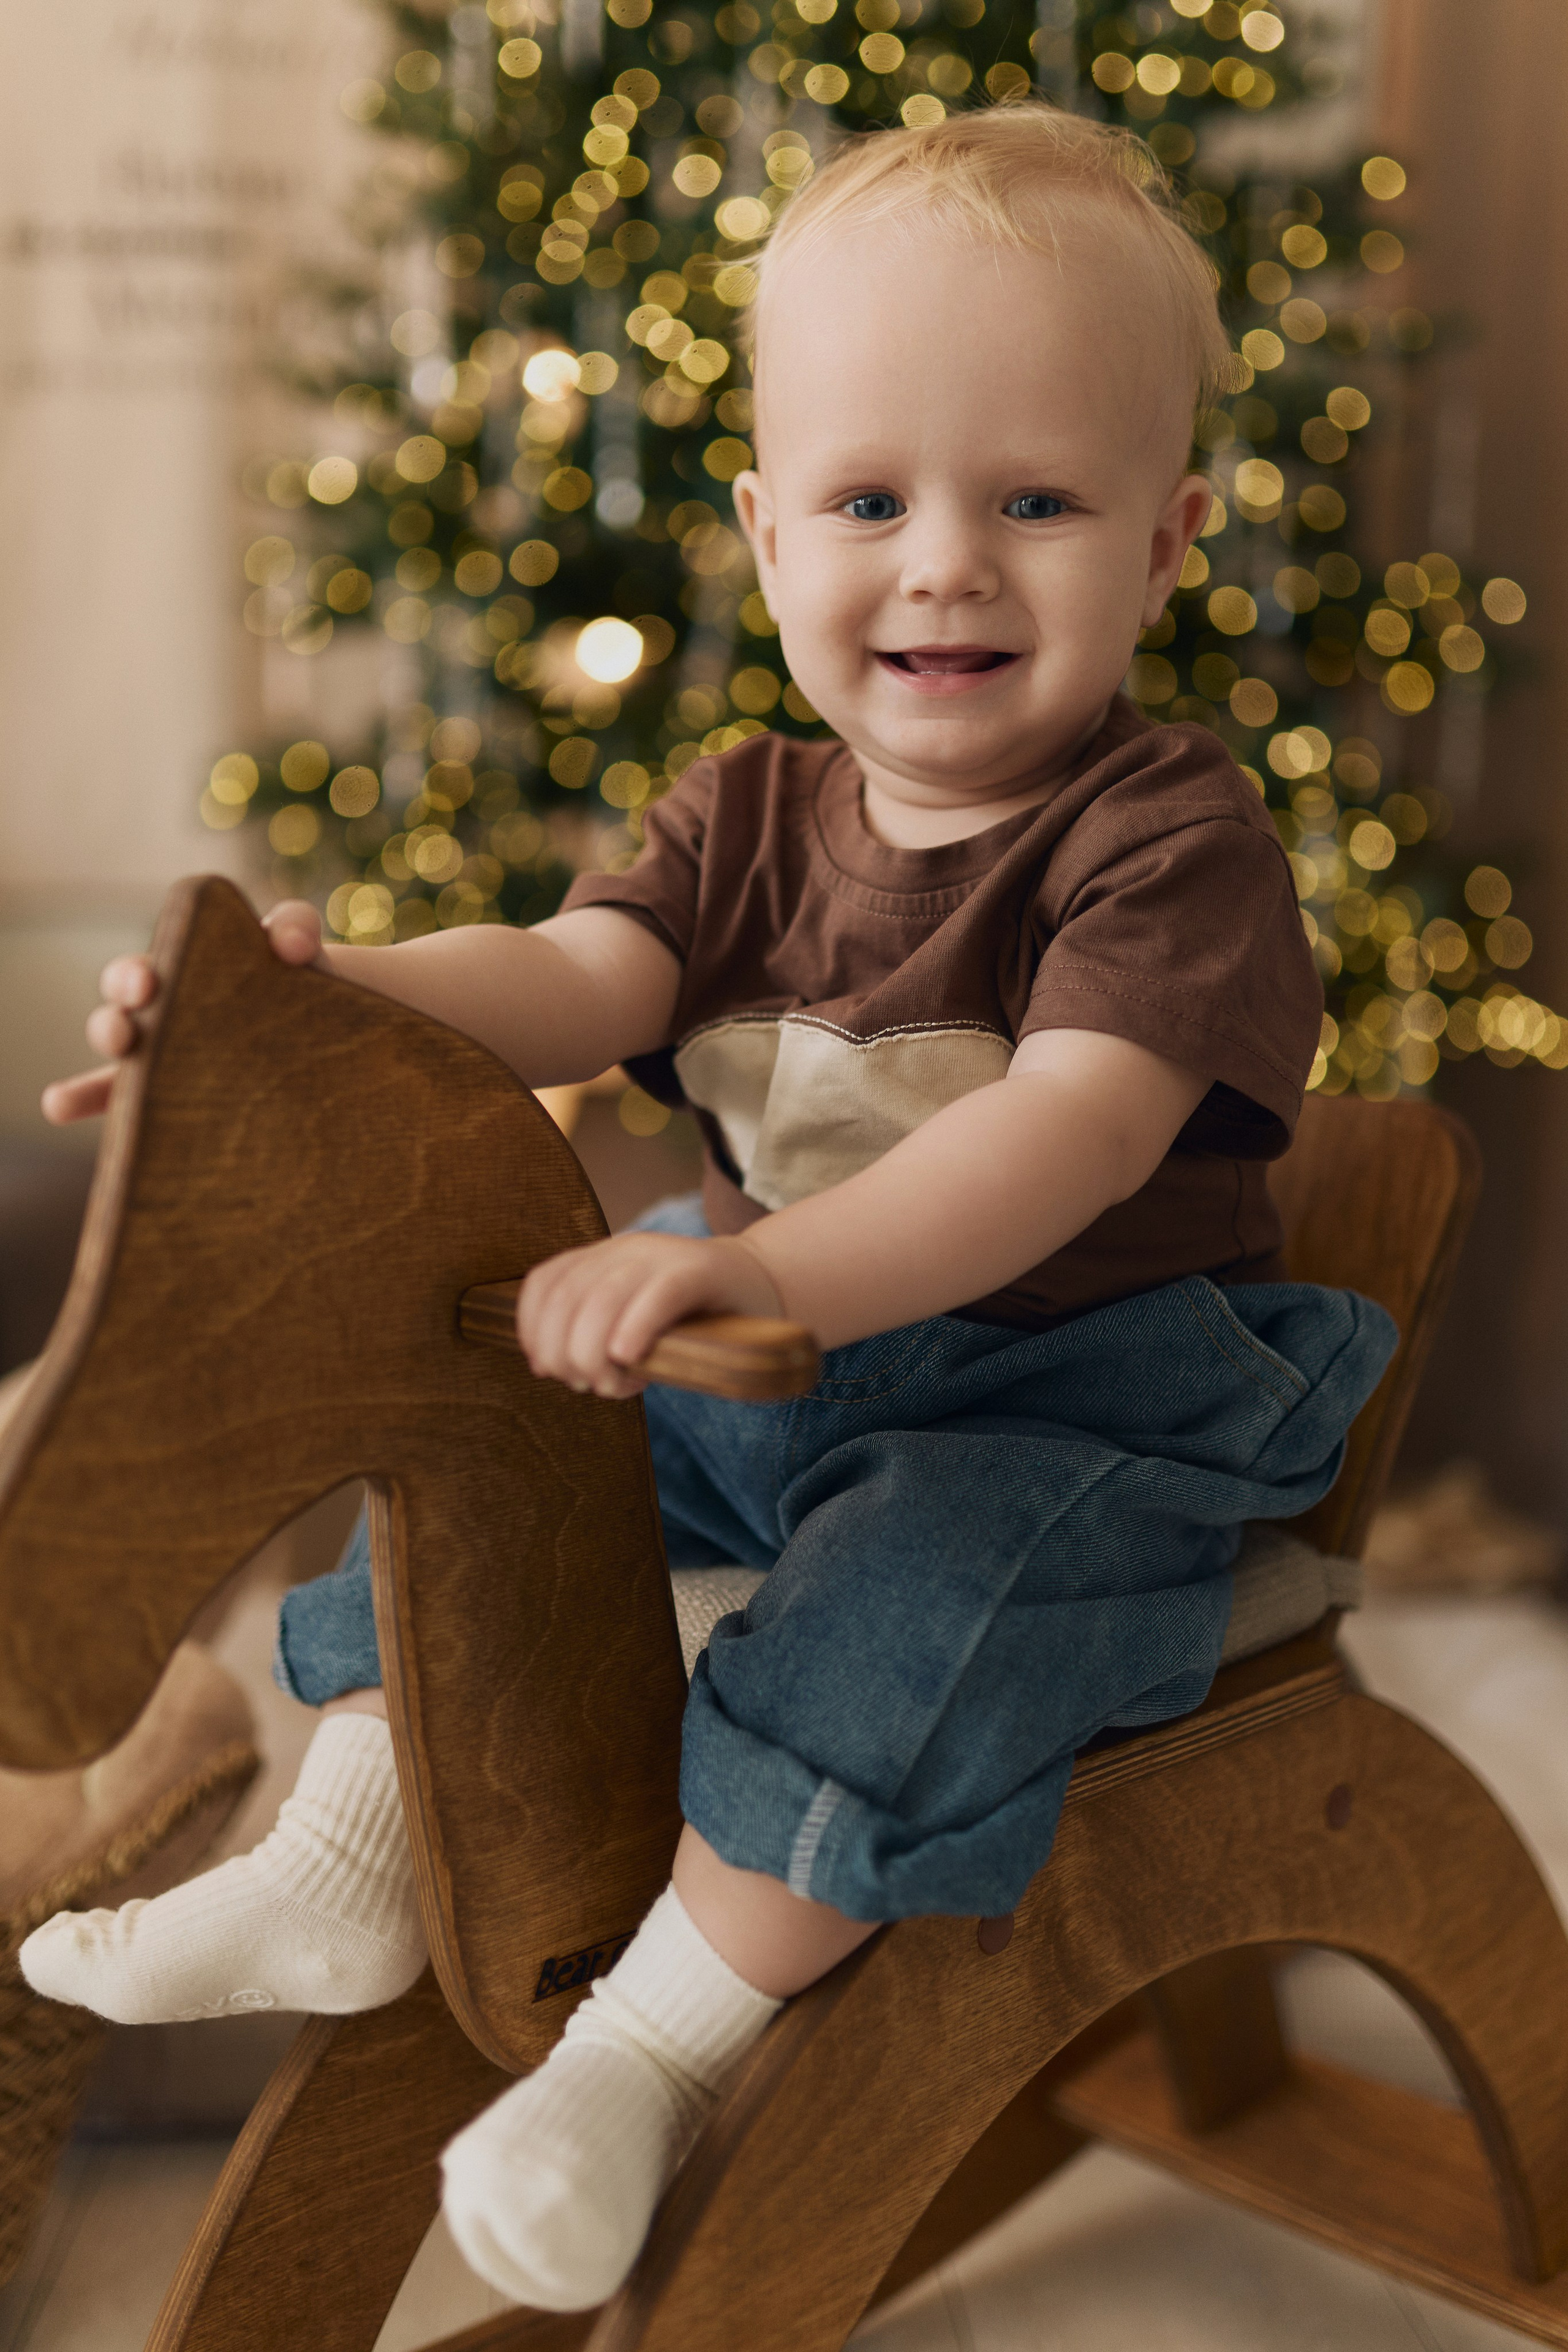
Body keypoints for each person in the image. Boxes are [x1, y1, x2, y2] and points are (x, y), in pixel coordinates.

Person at [21, 104, 1395, 2312]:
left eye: (1034, 502)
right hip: (785, 1339)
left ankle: (650, 2056)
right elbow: (573, 984)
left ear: (1164, 546)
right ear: (767, 539)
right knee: (493, 1426)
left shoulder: (1169, 846)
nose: (943, 564)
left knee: (922, 1594)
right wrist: (324, 995)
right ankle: (363, 1834)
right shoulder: (747, 816)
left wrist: (758, 1265)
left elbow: (1053, 1140)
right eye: (870, 501)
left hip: (1087, 1394)